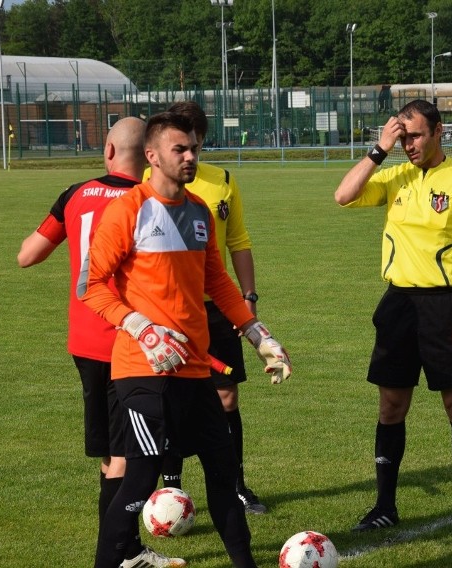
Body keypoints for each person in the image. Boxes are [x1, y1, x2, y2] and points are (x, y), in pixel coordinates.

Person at [79, 110, 291, 568]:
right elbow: (91, 286)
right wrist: (141, 327)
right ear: (152, 155)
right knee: (140, 482)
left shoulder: (198, 212)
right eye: (180, 149)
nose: (191, 156)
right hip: (142, 370)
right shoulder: (128, 210)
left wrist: (259, 336)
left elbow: (217, 282)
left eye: (194, 147)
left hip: (195, 369)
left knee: (223, 476)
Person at [334, 99, 452, 538]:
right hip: (398, 305)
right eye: (403, 137)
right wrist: (379, 149)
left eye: (416, 135)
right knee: (391, 406)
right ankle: (385, 505)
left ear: (440, 131)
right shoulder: (394, 175)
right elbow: (343, 195)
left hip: (447, 306)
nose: (409, 145)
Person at [17, 116, 147, 536]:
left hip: (84, 339)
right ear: (149, 156)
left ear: (108, 151)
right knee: (129, 453)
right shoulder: (149, 200)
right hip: (130, 340)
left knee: (112, 453)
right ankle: (123, 551)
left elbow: (27, 255)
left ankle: (118, 545)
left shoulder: (74, 194)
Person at [150, 101, 267, 514]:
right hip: (165, 311)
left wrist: (248, 299)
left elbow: (238, 241)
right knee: (170, 402)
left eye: (194, 145)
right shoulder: (149, 183)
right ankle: (171, 490)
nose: (188, 155)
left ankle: (235, 484)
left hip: (216, 309)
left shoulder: (223, 182)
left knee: (227, 398)